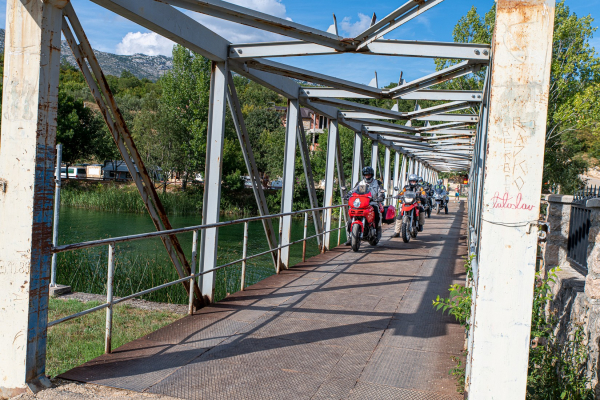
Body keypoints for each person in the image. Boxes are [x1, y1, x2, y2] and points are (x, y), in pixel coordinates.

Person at [345, 166, 385, 245]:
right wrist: (348, 195)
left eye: (369, 175)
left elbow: (381, 191)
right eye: (366, 175)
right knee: (350, 220)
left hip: (372, 202)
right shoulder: (360, 183)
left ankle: (377, 231)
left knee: (376, 213)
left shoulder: (377, 183)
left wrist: (381, 196)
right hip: (361, 203)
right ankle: (350, 237)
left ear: (372, 175)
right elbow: (353, 190)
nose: (367, 176)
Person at [392, 174, 427, 238]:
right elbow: (402, 192)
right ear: (409, 181)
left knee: (421, 209)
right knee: (400, 215)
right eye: (411, 181)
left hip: (416, 202)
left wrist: (423, 196)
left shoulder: (420, 187)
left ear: (416, 181)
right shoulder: (406, 187)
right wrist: (398, 195)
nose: (413, 182)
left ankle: (420, 224)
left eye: (414, 181)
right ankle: (396, 232)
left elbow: (423, 193)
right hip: (407, 202)